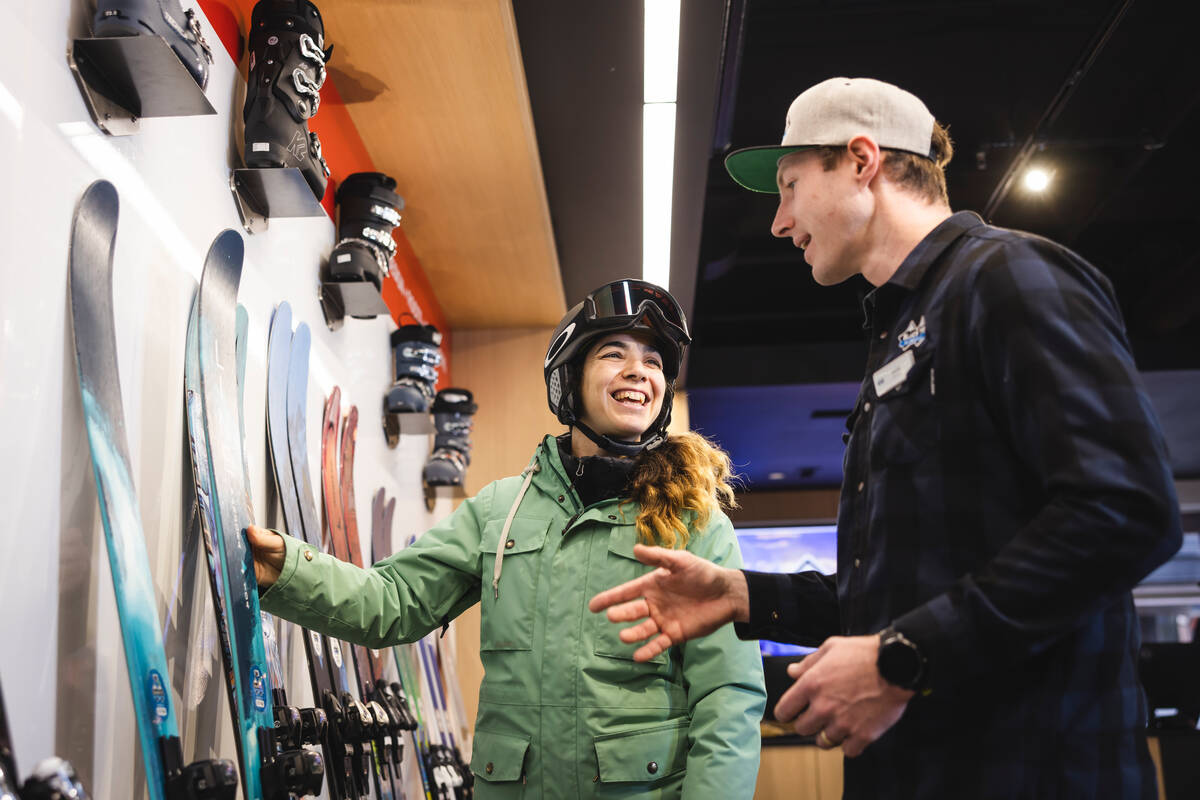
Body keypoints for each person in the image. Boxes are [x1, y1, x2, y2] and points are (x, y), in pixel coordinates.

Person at [589, 78, 1182, 799]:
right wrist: (743, 593)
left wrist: (902, 659)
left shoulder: (1009, 277)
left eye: (790, 186)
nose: (779, 222)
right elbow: (907, 586)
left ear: (862, 161)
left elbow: (1127, 510)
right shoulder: (903, 328)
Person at [248, 279, 766, 798]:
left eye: (654, 362)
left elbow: (728, 695)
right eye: (614, 353)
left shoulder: (693, 523)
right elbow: (392, 602)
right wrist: (287, 570)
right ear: (569, 377)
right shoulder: (502, 509)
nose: (638, 371)